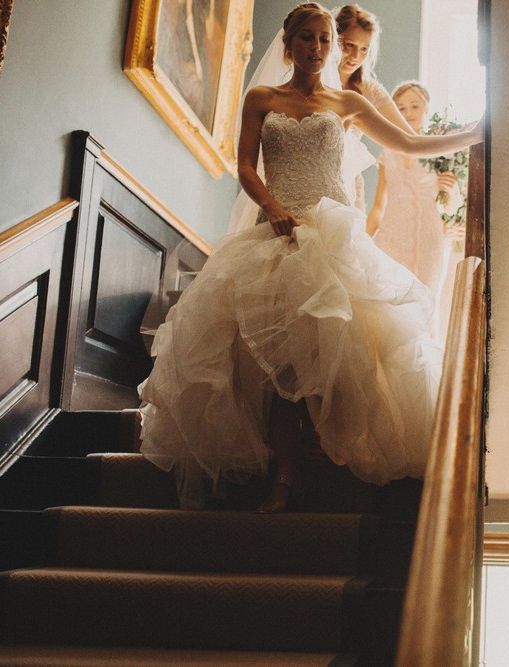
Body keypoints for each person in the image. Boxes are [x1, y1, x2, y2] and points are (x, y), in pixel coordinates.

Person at [138, 2, 483, 513]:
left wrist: (480, 130)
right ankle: (286, 472)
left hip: (333, 232)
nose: (318, 49)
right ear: (289, 42)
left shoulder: (345, 103)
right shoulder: (261, 97)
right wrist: (273, 208)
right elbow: (246, 169)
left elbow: (409, 143)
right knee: (279, 360)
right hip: (276, 230)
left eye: (325, 40)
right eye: (308, 38)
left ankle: (328, 457)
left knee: (342, 347)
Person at [366, 81, 462, 336]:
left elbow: (451, 207)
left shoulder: (442, 150)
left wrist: (449, 191)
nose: (408, 113)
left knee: (426, 301)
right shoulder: (388, 152)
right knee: (390, 307)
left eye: (415, 106)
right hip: (392, 237)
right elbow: (378, 205)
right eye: (401, 108)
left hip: (430, 238)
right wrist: (362, 240)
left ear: (427, 108)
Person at [334, 4, 413, 211]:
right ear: (334, 39)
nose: (355, 56)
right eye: (349, 45)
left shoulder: (369, 90)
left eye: (364, 49)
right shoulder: (311, 81)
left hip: (348, 182)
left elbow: (408, 135)